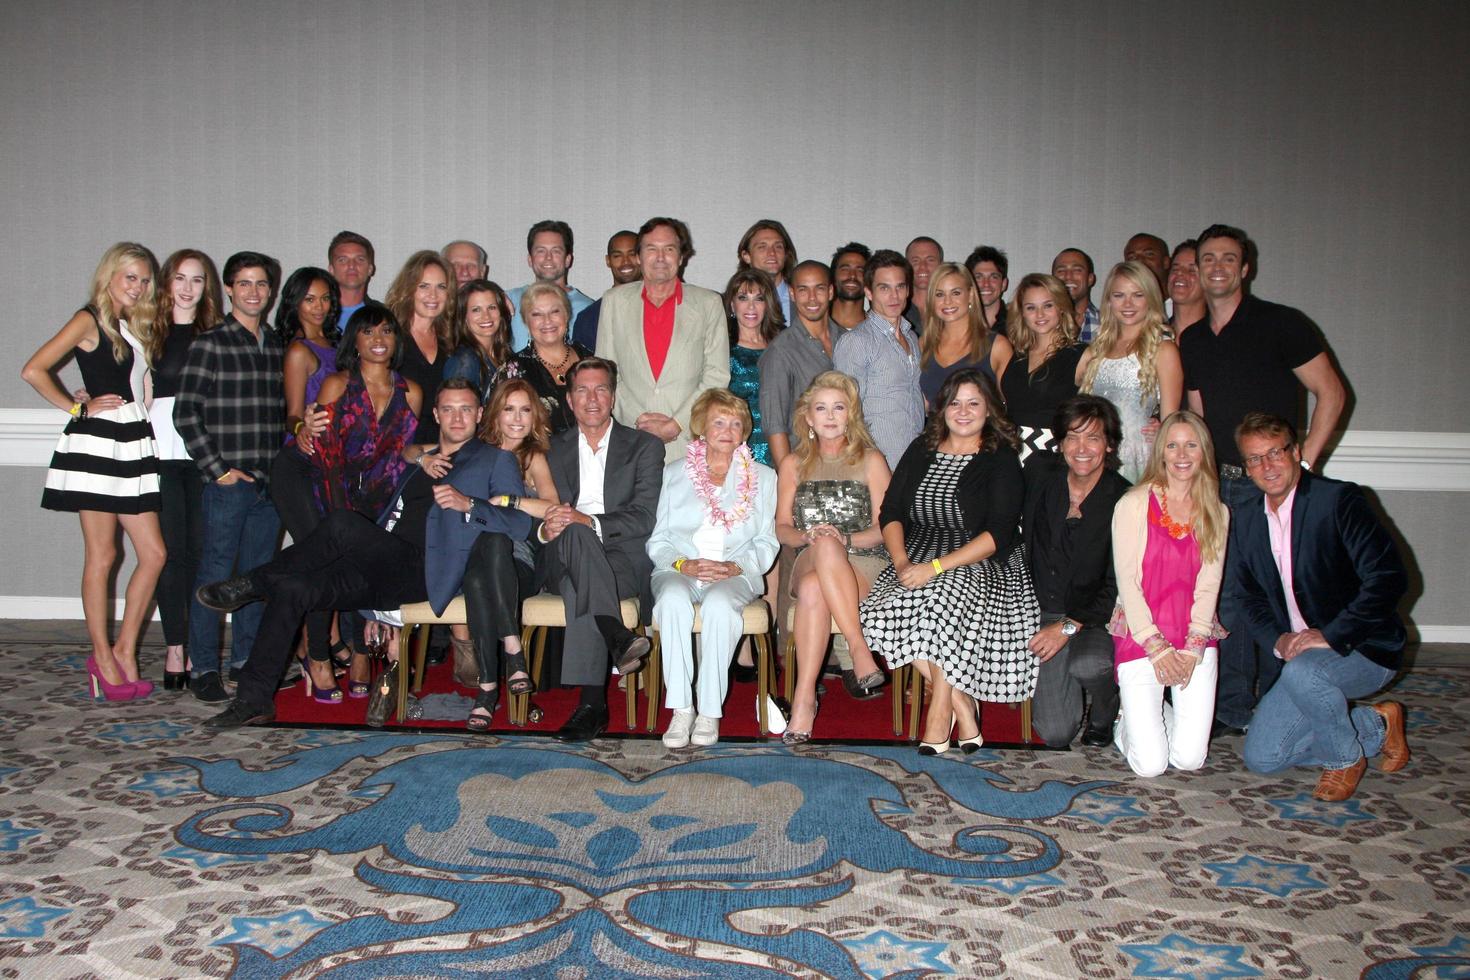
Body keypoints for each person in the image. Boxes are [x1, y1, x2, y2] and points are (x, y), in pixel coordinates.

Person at [199, 380, 530, 729]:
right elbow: (393, 513)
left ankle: (252, 582)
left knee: (343, 523)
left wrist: (470, 505)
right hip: (381, 564)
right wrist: (377, 610)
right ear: (436, 413)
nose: (458, 417)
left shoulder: (496, 459)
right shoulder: (419, 461)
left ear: (480, 414)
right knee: (293, 588)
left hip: (425, 569)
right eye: (448, 409)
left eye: (466, 409)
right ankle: (253, 699)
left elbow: (519, 523)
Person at [1179, 223, 1347, 736]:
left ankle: (1284, 702)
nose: (1217, 268)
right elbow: (1199, 415)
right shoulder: (1193, 339)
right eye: (1208, 259)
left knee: (1278, 594)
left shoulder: (1283, 324)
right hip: (1223, 484)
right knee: (1225, 595)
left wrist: (1306, 465)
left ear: (1245, 267)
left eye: (1228, 259)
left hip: (1274, 483)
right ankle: (1231, 709)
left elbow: (1332, 393)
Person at [1231, 413, 1409, 801]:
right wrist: (1278, 640)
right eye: (1254, 459)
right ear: (1246, 467)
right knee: (1264, 757)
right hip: (1298, 661)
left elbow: (1388, 578)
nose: (1267, 466)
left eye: (1275, 453)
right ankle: (1375, 725)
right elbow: (1246, 596)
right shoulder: (1245, 519)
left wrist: (1330, 635)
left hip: (1364, 647)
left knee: (1304, 675)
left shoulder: (1338, 500)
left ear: (1296, 452)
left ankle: (1344, 759)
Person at [862, 370, 1036, 753]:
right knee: (877, 613)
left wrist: (936, 568)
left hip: (983, 559)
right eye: (955, 402)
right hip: (920, 550)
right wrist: (903, 560)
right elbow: (891, 511)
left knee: (941, 600)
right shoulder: (921, 448)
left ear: (989, 409)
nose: (963, 411)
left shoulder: (1000, 458)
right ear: (942, 408)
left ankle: (940, 710)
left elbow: (997, 534)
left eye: (974, 402)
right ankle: (964, 706)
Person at [23, 242, 166, 701]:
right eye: (130, 277)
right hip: (100, 443)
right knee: (102, 556)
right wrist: (75, 406)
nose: (138, 286)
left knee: (154, 554)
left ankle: (124, 650)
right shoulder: (90, 319)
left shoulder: (130, 325)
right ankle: (102, 657)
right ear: (109, 276)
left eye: (144, 279)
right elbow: (34, 369)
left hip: (133, 442)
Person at [173, 250, 284, 703]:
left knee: (255, 577)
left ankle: (244, 662)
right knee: (215, 573)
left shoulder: (276, 343)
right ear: (229, 289)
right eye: (244, 284)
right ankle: (204, 667)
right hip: (228, 484)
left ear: (270, 291)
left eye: (261, 284)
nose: (254, 292)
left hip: (268, 483)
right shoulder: (211, 343)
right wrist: (217, 470)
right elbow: (186, 414)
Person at [537, 358, 663, 741]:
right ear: (569, 400)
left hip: (622, 558)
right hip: (561, 556)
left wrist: (588, 521)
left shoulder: (645, 446)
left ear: (613, 395)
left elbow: (644, 517)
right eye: (582, 390)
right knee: (573, 536)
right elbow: (538, 513)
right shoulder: (549, 449)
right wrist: (547, 529)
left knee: (581, 576)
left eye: (601, 389)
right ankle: (615, 633)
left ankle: (592, 706)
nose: (592, 398)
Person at [647, 389, 779, 748]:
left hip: (733, 573)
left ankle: (709, 711)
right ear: (701, 428)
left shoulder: (763, 478)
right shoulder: (674, 474)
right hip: (680, 567)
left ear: (744, 432)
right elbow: (658, 541)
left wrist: (737, 566)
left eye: (736, 423)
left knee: (721, 607)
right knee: (672, 600)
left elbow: (767, 543)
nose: (727, 429)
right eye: (719, 421)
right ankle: (681, 709)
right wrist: (682, 563)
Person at [310, 304, 424, 699]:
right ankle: (317, 656)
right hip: (335, 495)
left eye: (387, 332)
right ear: (354, 340)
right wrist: (340, 513)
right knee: (328, 574)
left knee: (369, 576)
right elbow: (323, 455)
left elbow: (404, 453)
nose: (379, 341)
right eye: (369, 332)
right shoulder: (336, 385)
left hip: (384, 500)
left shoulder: (411, 391)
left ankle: (362, 655)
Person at [1109, 411, 1229, 777]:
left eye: (1191, 445)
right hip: (1141, 635)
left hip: (1194, 634)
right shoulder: (1133, 503)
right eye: (1173, 445)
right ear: (1160, 452)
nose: (1181, 454)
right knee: (1150, 765)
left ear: (1204, 452)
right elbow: (1127, 582)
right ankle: (1127, 716)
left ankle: (1149, 712)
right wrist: (1157, 647)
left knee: (1190, 759)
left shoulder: (1217, 511)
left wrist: (1192, 648)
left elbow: (1210, 585)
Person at [776, 371, 892, 743]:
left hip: (864, 562)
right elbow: (781, 528)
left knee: (813, 590)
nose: (829, 416)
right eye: (821, 408)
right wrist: (809, 535)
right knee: (823, 547)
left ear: (850, 415)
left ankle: (804, 699)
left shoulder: (871, 460)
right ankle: (859, 651)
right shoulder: (793, 464)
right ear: (808, 418)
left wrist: (846, 538)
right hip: (810, 554)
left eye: (838, 408)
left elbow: (887, 527)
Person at [1022, 396, 1130, 748]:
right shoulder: (1041, 476)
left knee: (1090, 666)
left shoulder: (1123, 499)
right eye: (1072, 437)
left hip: (1093, 617)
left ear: (1109, 444)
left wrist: (1066, 628)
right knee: (1055, 733)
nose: (1082, 448)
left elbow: (1116, 587)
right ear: (1061, 443)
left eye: (1093, 438)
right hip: (1043, 609)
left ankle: (1106, 707)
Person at [459, 379, 560, 729]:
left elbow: (552, 507)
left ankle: (487, 692)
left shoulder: (532, 458)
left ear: (535, 417)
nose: (517, 418)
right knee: (480, 561)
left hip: (519, 567)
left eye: (525, 410)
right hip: (471, 554)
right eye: (509, 409)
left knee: (490, 555)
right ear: (494, 414)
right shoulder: (474, 450)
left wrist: (510, 501)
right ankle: (513, 650)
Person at [147, 248, 221, 690]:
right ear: (166, 283)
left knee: (199, 554)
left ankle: (197, 646)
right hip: (156, 452)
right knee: (169, 555)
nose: (188, 287)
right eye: (180, 278)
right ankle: (175, 646)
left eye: (197, 279)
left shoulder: (214, 334)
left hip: (202, 453)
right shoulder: (145, 331)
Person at [595, 216, 730, 462]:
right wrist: (641, 423)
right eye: (651, 249)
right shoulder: (614, 301)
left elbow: (717, 375)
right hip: (631, 441)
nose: (660, 257)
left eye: (669, 249)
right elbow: (605, 373)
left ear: (681, 257)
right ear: (638, 257)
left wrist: (677, 424)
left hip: (690, 444)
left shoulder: (709, 303)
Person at [266, 267, 343, 685]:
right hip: (298, 465)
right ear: (294, 302)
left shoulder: (336, 345)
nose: (319, 306)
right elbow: (293, 412)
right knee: (318, 558)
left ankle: (311, 643)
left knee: (328, 558)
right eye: (309, 298)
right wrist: (302, 431)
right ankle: (317, 657)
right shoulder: (299, 350)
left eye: (325, 298)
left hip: (330, 466)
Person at [1076, 261, 1183, 482]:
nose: (1128, 303)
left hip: (1139, 457)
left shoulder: (1163, 349)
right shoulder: (1095, 350)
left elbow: (1171, 419)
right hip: (1093, 454)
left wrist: (1161, 429)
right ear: (1108, 300)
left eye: (1137, 295)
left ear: (1151, 298)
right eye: (1119, 295)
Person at [833, 249, 925, 470]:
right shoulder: (856, 341)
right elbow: (845, 411)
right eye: (884, 288)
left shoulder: (912, 337)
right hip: (876, 463)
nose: (894, 297)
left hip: (914, 458)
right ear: (869, 292)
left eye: (900, 287)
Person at [999, 273, 1086, 461]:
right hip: (1010, 452)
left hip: (1053, 456)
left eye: (1048, 305)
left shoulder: (1081, 355)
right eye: (1031, 307)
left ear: (1061, 308)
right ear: (1021, 312)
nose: (1040, 315)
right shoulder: (1017, 355)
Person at [918, 262, 1012, 407]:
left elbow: (1010, 407)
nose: (947, 301)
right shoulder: (924, 344)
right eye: (939, 294)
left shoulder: (997, 346)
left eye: (956, 293)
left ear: (971, 295)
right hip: (933, 429)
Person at [384, 250, 455, 444]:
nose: (433, 295)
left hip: (446, 444)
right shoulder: (387, 337)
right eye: (423, 286)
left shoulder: (451, 339)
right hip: (400, 448)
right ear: (408, 289)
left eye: (441, 287)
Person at [514, 281, 593, 433]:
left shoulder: (591, 359)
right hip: (537, 455)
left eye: (555, 311)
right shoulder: (514, 370)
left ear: (567, 315)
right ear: (526, 322)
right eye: (537, 314)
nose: (547, 320)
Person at [723, 267, 783, 465]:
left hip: (782, 445)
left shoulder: (783, 346)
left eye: (759, 299)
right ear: (732, 305)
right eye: (743, 298)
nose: (751, 307)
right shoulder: (722, 350)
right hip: (738, 449)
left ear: (768, 305)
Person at [508, 220, 594, 351]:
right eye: (541, 251)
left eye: (556, 251)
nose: (548, 257)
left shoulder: (588, 309)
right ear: (530, 259)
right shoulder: (510, 300)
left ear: (567, 259)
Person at [442, 278, 519, 404]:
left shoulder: (505, 354)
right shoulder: (464, 361)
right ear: (464, 317)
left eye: (492, 307)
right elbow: (458, 415)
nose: (486, 316)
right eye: (476, 310)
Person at [572, 230, 640, 350]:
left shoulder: (661, 308)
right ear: (608, 260)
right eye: (617, 256)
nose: (626, 261)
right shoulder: (590, 317)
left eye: (632, 254)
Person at [737, 219, 797, 325]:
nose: (772, 253)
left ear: (786, 255)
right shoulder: (729, 304)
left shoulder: (803, 300)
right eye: (762, 247)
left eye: (778, 246)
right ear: (746, 256)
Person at [328, 231, 375, 329]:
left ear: (370, 269)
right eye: (343, 260)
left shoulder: (383, 315)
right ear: (331, 270)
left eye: (360, 259)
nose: (352, 266)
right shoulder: (317, 314)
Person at [1051, 248, 1099, 343]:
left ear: (1090, 279)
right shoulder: (1040, 324)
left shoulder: (1110, 325)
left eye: (1077, 270)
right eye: (1061, 271)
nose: (1068, 276)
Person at [965, 245, 1010, 337]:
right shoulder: (956, 324)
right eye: (978, 277)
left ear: (1004, 284)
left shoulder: (1018, 324)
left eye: (994, 277)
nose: (986, 284)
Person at [902, 236, 943, 331]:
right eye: (915, 261)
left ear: (941, 265)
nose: (923, 267)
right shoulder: (895, 308)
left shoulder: (952, 309)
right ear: (906, 266)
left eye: (930, 260)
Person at [1166, 239, 1204, 335]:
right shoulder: (1153, 336)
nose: (1180, 273)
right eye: (1175, 269)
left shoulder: (1220, 336)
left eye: (1192, 270)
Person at [829, 242, 870, 329]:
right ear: (833, 276)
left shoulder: (879, 332)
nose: (852, 275)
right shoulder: (815, 328)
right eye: (845, 269)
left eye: (860, 270)